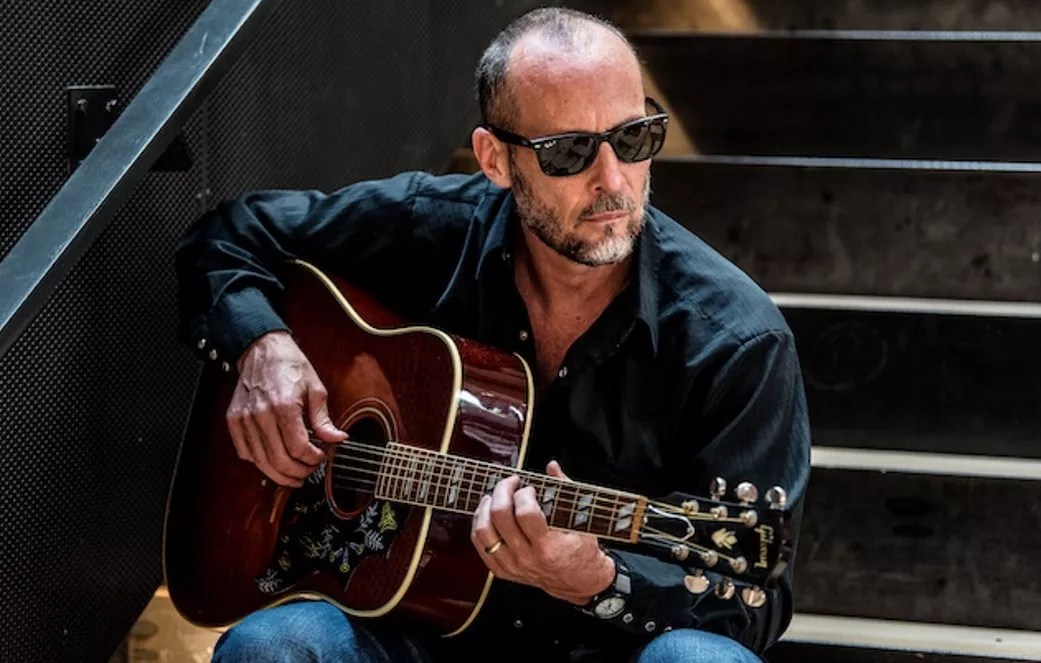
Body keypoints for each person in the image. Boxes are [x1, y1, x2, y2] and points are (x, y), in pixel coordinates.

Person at [174, 7, 811, 663]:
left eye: (633, 138)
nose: (613, 179)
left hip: (607, 650)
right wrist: (263, 349)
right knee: (272, 648)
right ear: (495, 159)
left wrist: (599, 579)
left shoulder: (735, 340)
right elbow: (230, 234)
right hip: (415, 632)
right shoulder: (430, 228)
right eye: (568, 152)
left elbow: (749, 605)